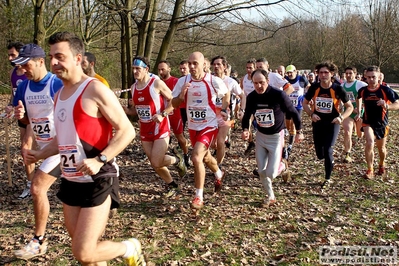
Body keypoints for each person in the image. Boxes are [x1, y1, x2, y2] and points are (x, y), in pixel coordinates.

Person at [25, 32, 145, 265]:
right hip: (71, 181)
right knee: (87, 256)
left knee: (83, 252)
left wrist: (100, 159)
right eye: (51, 57)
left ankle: (129, 247)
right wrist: (41, 153)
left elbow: (127, 131)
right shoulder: (59, 94)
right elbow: (65, 138)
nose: (53, 63)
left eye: (60, 56)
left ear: (78, 58)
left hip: (98, 178)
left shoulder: (95, 89)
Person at [11, 43, 64, 259]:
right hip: (45, 148)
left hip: (65, 147)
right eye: (21, 66)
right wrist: (20, 119)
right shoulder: (24, 87)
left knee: (37, 188)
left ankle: (38, 240)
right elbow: (28, 120)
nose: (23, 69)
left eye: (27, 65)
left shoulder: (56, 84)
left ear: (41, 61)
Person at [171, 51, 229, 210]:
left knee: (196, 157)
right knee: (206, 157)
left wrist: (223, 108)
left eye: (195, 63)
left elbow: (226, 93)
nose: (191, 66)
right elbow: (174, 103)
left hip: (209, 126)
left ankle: (198, 196)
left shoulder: (213, 80)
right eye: (189, 63)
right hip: (193, 127)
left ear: (204, 64)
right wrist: (181, 96)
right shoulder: (183, 81)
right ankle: (218, 173)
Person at [124, 56, 187, 198]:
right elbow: (137, 110)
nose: (135, 71)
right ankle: (172, 185)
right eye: (133, 68)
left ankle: (178, 160)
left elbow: (174, 100)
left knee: (156, 160)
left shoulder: (156, 84)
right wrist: (127, 111)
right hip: (145, 130)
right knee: (155, 164)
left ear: (146, 69)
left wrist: (163, 114)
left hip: (161, 127)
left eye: (138, 69)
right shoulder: (133, 88)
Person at [241, 69, 304, 207]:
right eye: (255, 83)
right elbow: (246, 116)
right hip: (261, 137)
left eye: (261, 83)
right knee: (261, 171)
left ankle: (282, 166)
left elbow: (294, 113)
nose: (258, 86)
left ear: (268, 81)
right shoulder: (252, 97)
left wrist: (299, 131)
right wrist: (246, 129)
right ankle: (270, 197)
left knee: (270, 173)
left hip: (276, 137)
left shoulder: (278, 95)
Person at [303, 62, 353, 190]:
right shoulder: (314, 87)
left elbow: (350, 107)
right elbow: (305, 103)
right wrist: (311, 114)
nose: (323, 75)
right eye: (321, 73)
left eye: (326, 73)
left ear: (331, 74)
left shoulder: (337, 89)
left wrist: (341, 117)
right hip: (318, 122)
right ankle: (328, 160)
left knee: (328, 150)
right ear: (317, 74)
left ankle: (328, 178)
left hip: (333, 123)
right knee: (320, 154)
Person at [356, 65, 399, 179]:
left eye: (373, 77)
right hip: (367, 121)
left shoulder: (385, 90)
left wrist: (387, 106)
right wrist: (359, 110)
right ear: (365, 77)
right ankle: (370, 170)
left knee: (381, 149)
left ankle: (381, 164)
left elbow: (397, 104)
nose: (370, 80)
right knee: (370, 143)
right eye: (368, 77)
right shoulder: (363, 90)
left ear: (379, 76)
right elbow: (358, 97)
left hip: (381, 123)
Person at [5, 41, 33, 199]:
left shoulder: (30, 72)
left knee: (26, 147)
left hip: (34, 115)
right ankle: (31, 183)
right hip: (20, 115)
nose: (10, 58)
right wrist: (10, 105)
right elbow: (13, 95)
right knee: (25, 151)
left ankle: (36, 184)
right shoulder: (12, 73)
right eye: (9, 55)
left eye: (13, 55)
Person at [211, 55, 245, 167]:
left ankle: (218, 165)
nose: (216, 66)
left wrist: (242, 109)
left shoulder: (231, 82)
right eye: (214, 64)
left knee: (220, 142)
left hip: (225, 116)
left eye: (219, 64)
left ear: (224, 66)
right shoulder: (208, 80)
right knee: (213, 144)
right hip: (210, 115)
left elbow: (242, 96)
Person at [158, 60, 190, 167]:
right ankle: (163, 158)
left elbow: (182, 97)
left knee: (180, 137)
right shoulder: (157, 82)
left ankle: (186, 155)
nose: (161, 72)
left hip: (174, 113)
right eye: (159, 70)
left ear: (169, 69)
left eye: (163, 69)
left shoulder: (176, 81)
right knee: (160, 137)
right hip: (162, 114)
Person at [341, 67, 367, 163]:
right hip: (348, 112)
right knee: (347, 132)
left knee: (360, 135)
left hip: (360, 112)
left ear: (355, 74)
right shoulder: (342, 85)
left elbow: (367, 97)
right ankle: (348, 153)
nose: (348, 75)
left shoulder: (361, 84)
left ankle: (360, 139)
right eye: (346, 73)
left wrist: (360, 108)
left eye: (350, 73)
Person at [285, 64, 309, 157]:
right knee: (287, 124)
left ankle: (290, 145)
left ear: (295, 71)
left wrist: (307, 97)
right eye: (288, 73)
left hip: (298, 106)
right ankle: (288, 133)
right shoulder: (285, 80)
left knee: (294, 124)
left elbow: (309, 87)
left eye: (291, 72)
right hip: (288, 105)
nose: (290, 74)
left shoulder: (302, 79)